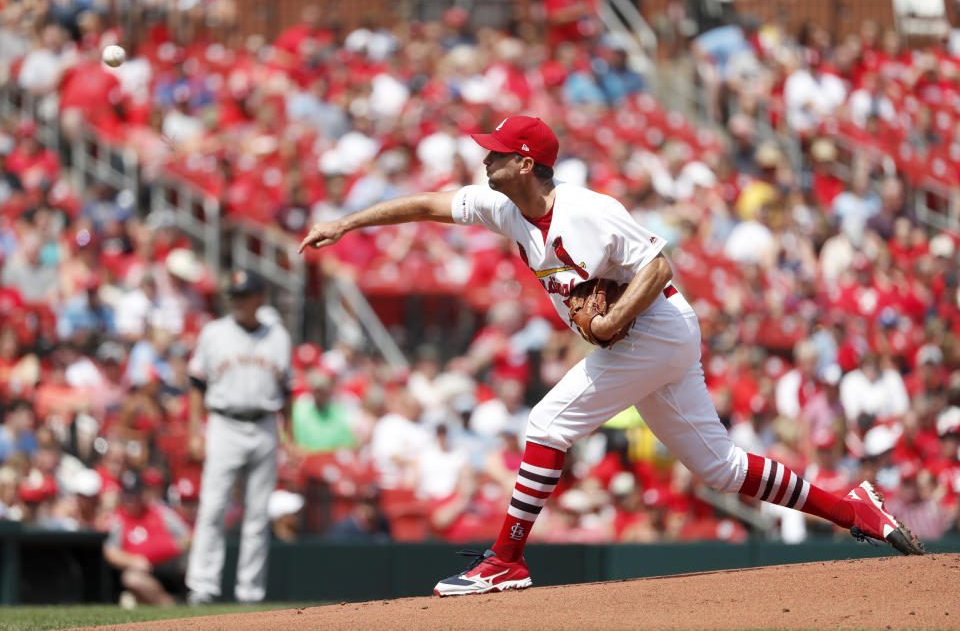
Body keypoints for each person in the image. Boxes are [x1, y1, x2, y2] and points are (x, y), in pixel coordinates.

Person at [298, 115, 923, 597]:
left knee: (547, 424)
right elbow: (430, 204)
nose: (482, 155)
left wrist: (613, 320)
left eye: (494, 150)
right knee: (720, 469)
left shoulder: (586, 210)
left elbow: (659, 265)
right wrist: (348, 223)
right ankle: (853, 507)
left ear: (524, 162)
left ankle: (505, 561)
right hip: (650, 336)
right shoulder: (505, 206)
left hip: (654, 326)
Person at [184, 268, 293, 604]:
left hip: (264, 425)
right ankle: (202, 586)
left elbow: (286, 390)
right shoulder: (214, 333)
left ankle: (250, 592)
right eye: (235, 297)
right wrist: (194, 431)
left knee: (258, 514)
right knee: (213, 507)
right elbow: (197, 385)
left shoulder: (278, 336)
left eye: (245, 296)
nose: (239, 302)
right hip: (224, 424)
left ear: (259, 298)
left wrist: (291, 436)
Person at [103, 471, 191, 606]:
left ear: (143, 493)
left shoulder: (160, 511)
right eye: (128, 495)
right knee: (132, 578)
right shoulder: (118, 519)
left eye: (135, 494)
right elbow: (110, 552)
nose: (132, 500)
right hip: (145, 572)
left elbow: (187, 537)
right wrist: (131, 560)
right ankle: (171, 605)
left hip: (173, 569)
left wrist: (173, 547)